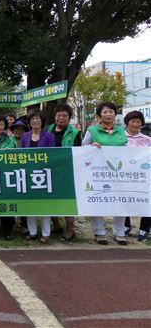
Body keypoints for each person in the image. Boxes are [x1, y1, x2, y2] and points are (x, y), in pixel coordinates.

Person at [82, 101, 128, 245]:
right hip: (98, 172)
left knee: (120, 200)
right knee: (98, 199)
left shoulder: (121, 130)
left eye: (111, 111)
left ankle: (120, 232)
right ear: (99, 115)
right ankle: (99, 231)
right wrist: (91, 146)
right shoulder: (92, 131)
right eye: (105, 112)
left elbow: (127, 149)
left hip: (118, 172)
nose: (108, 114)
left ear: (115, 114)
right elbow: (83, 148)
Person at [21, 109, 56, 243]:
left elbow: (51, 155)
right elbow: (21, 155)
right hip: (28, 174)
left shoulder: (49, 136)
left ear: (42, 121)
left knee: (44, 204)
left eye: (37, 118)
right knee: (30, 204)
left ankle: (46, 233)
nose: (35, 121)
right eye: (32, 119)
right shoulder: (25, 136)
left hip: (44, 174)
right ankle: (33, 231)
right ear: (29, 122)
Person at [48, 104, 81, 241]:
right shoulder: (48, 129)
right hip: (50, 170)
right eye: (58, 115)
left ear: (69, 117)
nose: (61, 118)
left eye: (64, 116)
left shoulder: (75, 133)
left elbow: (79, 152)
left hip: (67, 171)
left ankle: (70, 229)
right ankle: (56, 225)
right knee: (50, 198)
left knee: (67, 200)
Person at [123, 110, 151, 242]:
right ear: (127, 123)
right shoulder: (120, 139)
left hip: (144, 177)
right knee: (125, 200)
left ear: (141, 124)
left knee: (146, 201)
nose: (135, 124)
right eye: (132, 121)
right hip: (124, 176)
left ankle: (144, 230)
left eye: (138, 121)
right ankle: (125, 226)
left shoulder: (148, 140)